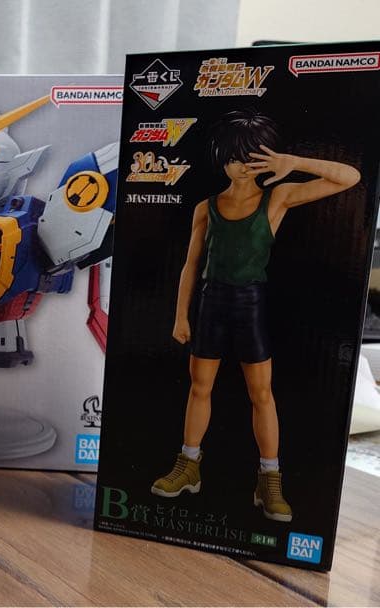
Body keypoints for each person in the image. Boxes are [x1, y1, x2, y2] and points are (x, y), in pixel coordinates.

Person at [151, 109, 360, 522]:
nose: (242, 166)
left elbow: (349, 177)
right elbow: (191, 265)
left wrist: (294, 162)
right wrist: (180, 316)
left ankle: (270, 479)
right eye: (234, 157)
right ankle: (188, 465)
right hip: (211, 303)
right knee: (199, 387)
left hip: (250, 304)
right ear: (221, 159)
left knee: (261, 392)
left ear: (265, 158)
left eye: (251, 157)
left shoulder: (277, 198)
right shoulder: (206, 207)